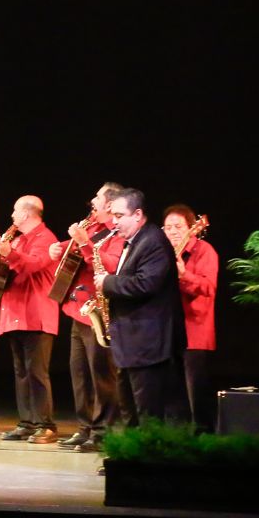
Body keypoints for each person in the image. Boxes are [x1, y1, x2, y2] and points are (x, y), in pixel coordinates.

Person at [98, 188, 188, 422]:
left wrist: (107, 282)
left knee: (147, 414)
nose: (114, 222)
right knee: (130, 411)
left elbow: (145, 284)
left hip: (147, 345)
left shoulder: (153, 241)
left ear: (137, 214)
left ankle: (147, 445)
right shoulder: (135, 241)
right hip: (132, 344)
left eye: (119, 216)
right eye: (113, 216)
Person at [48, 183, 125, 452]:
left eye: (98, 197)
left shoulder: (118, 232)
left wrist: (83, 242)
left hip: (100, 312)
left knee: (102, 375)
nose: (92, 201)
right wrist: (57, 249)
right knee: (79, 374)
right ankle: (85, 427)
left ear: (110, 204)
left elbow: (109, 266)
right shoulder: (93, 226)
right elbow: (69, 249)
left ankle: (103, 432)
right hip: (78, 309)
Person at [0, 195, 60, 443]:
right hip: (15, 314)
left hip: (36, 314)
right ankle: (27, 422)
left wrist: (8, 253)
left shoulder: (46, 238)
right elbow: (4, 272)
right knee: (21, 372)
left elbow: (33, 265)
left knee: (37, 372)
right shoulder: (18, 240)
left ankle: (46, 424)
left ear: (25, 214)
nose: (11, 216)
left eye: (15, 211)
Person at [164, 204, 217, 432]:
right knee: (171, 392)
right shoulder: (163, 253)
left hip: (194, 331)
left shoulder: (204, 251)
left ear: (191, 228)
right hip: (167, 331)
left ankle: (202, 437)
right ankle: (176, 436)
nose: (173, 232)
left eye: (178, 226)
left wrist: (184, 274)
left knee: (197, 392)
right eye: (168, 228)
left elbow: (208, 287)